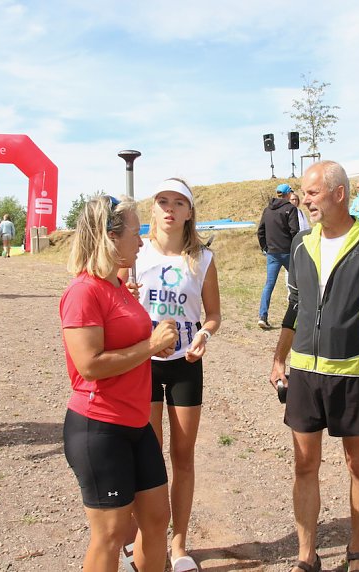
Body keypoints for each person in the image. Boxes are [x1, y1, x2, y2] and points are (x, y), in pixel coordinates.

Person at [269, 161, 359, 572]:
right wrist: (279, 355)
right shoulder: (300, 243)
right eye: (303, 193)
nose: (304, 199)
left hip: (353, 374)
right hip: (305, 374)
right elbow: (295, 306)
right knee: (304, 464)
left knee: (358, 465)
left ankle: (357, 551)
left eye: (311, 193)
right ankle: (306, 557)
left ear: (339, 194)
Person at [61, 195, 177, 571]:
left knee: (158, 519)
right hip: (99, 426)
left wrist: (153, 348)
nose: (141, 242)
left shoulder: (116, 288)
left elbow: (130, 345)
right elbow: (90, 365)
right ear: (109, 236)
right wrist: (150, 346)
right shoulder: (83, 292)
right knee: (111, 534)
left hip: (135, 422)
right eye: (134, 232)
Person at [131, 178, 221, 572]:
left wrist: (203, 334)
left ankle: (179, 544)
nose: (169, 209)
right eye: (162, 201)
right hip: (143, 363)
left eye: (178, 203)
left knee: (182, 457)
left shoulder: (203, 258)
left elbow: (214, 314)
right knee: (148, 459)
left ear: (189, 212)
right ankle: (144, 542)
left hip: (186, 364)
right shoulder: (135, 254)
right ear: (153, 209)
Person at [257, 183, 299, 329]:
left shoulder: (267, 210)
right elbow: (295, 232)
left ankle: (263, 316)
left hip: (272, 253)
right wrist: (296, 249)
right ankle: (301, 315)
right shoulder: (291, 209)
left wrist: (265, 247)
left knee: (269, 285)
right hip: (288, 252)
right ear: (288, 194)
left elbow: (260, 231)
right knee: (299, 283)